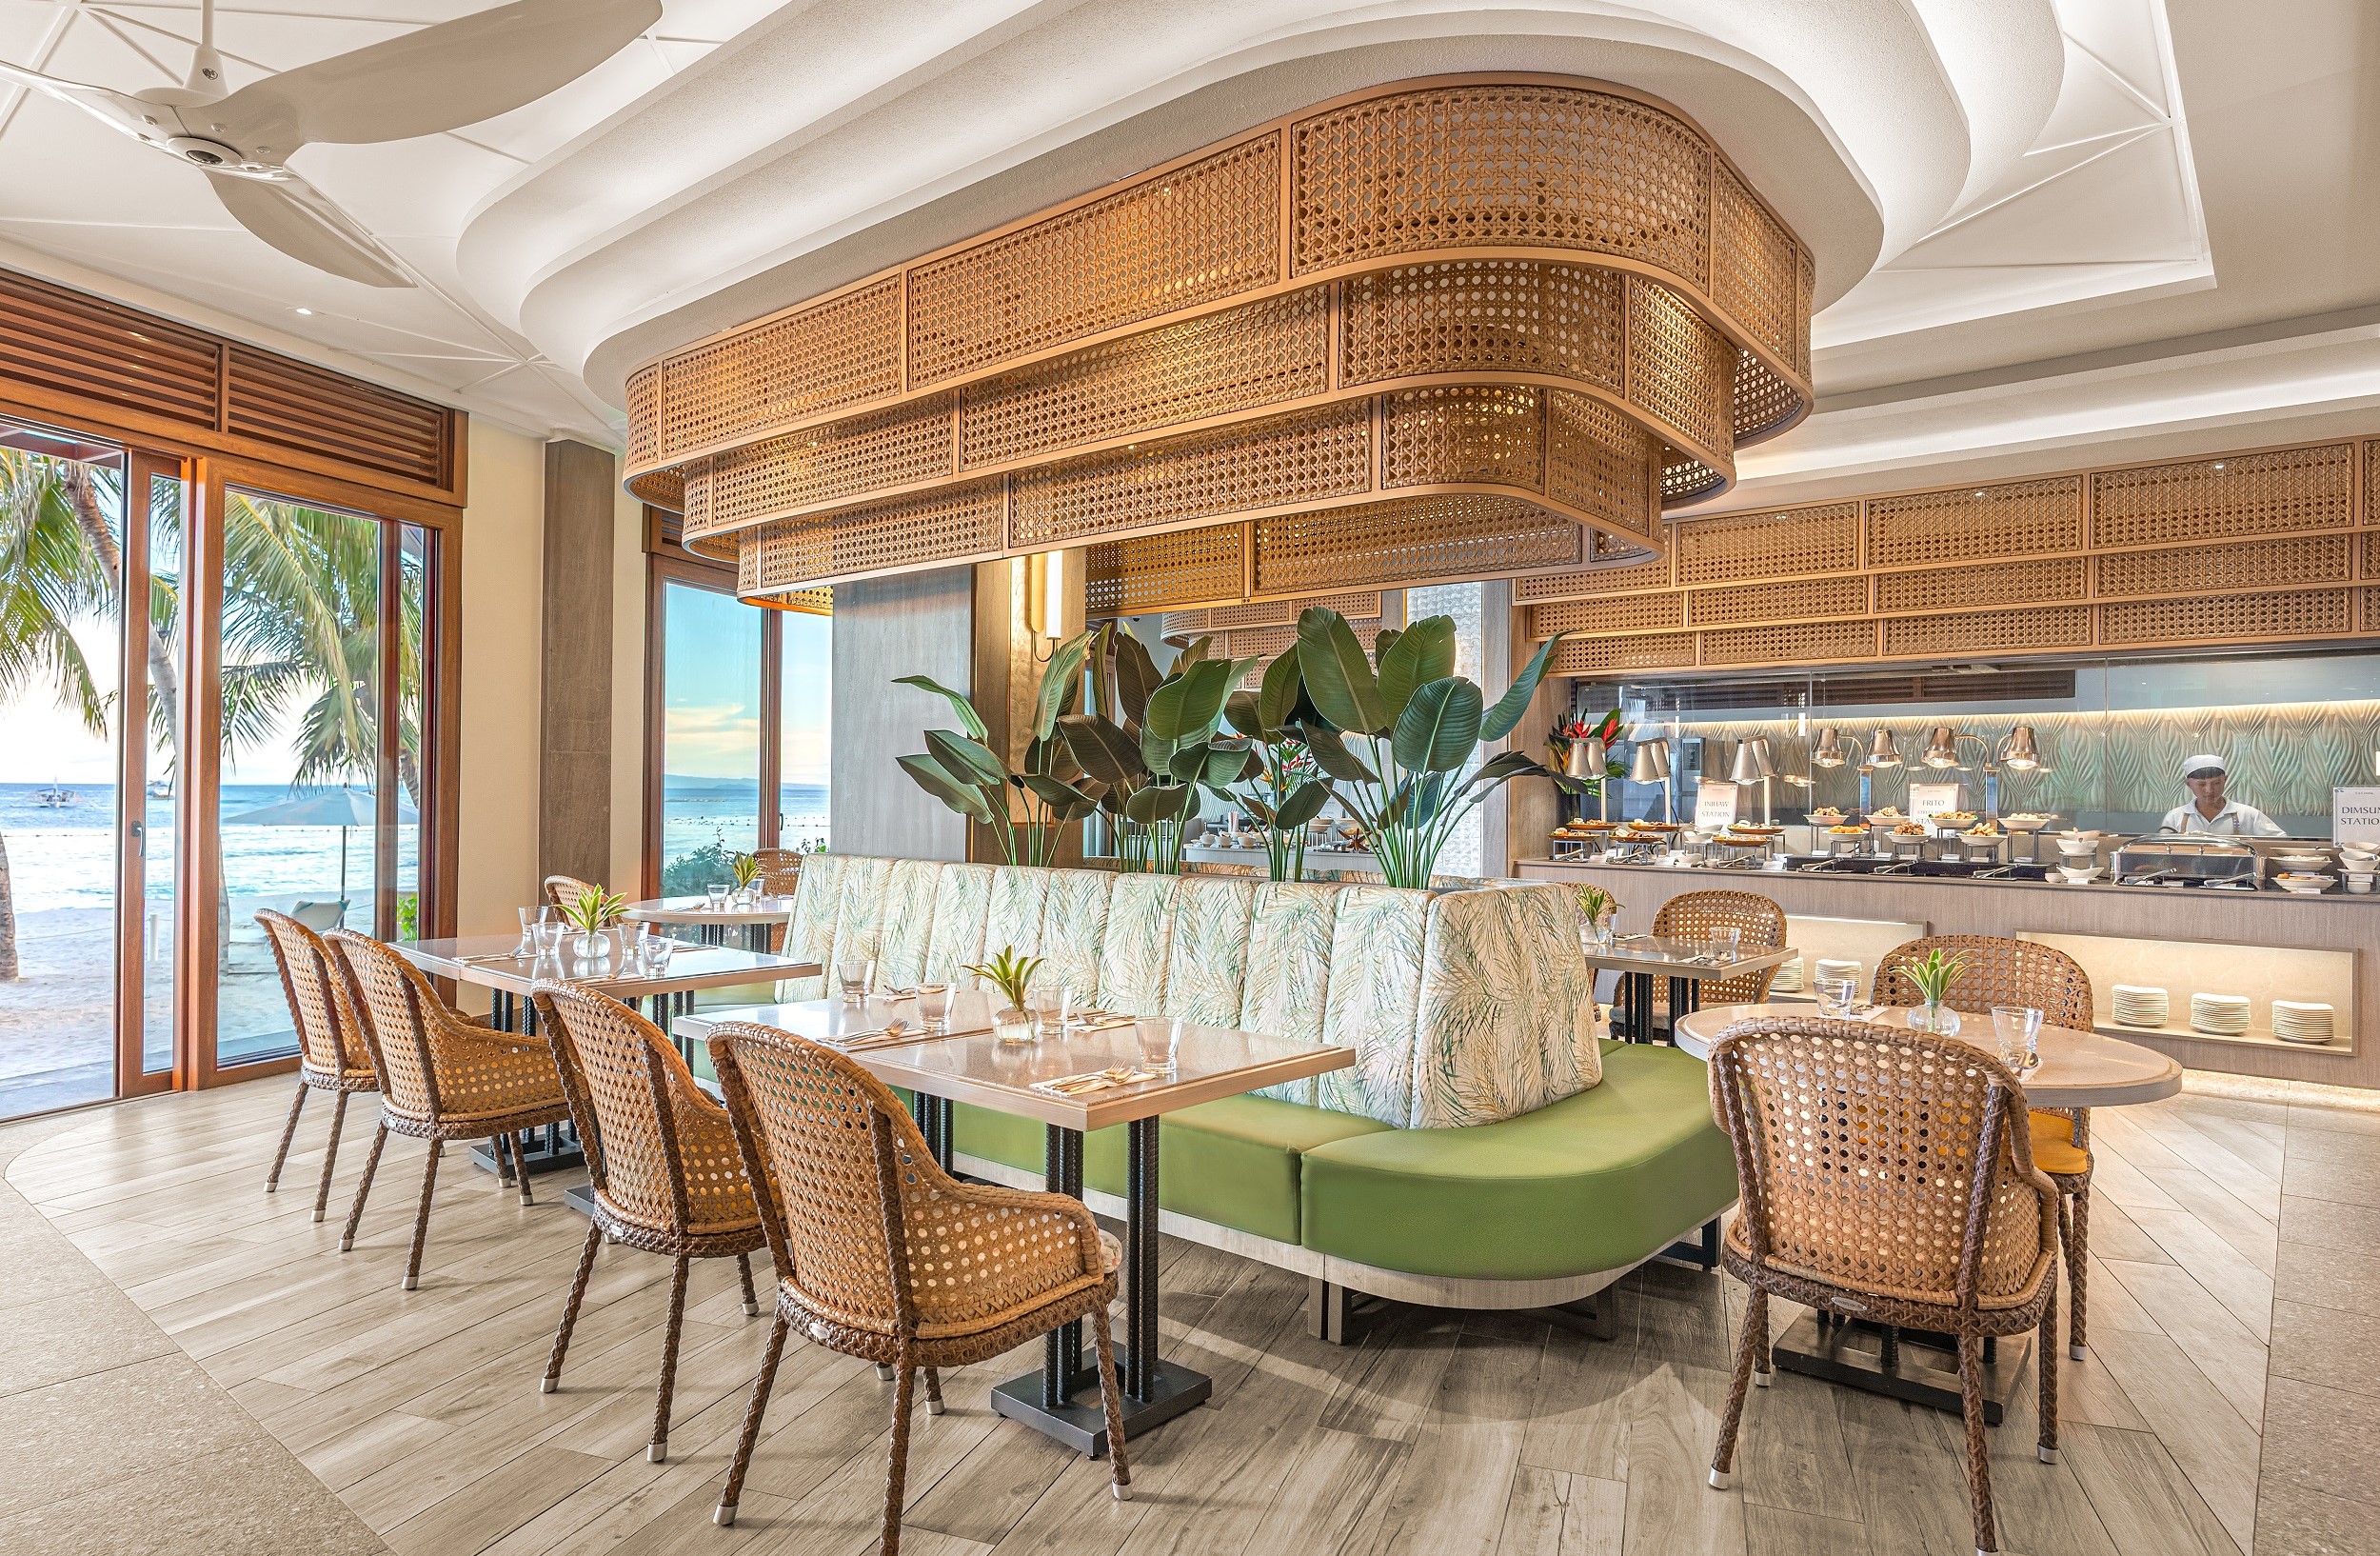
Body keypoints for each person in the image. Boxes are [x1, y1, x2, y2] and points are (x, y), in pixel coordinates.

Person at [2158, 753, 2287, 837]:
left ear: (2225, 780)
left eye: (2216, 783)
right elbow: (2160, 852)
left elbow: (2280, 842)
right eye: (2201, 784)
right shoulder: (2174, 817)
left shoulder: (2248, 815)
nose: (2209, 790)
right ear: (2188, 784)